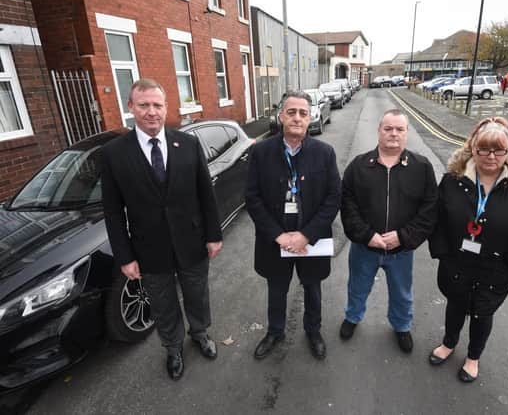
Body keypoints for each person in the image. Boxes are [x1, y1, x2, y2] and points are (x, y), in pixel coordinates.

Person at [101, 78, 223, 381]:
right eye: (143, 105)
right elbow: (113, 210)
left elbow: (205, 194)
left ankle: (200, 333)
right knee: (163, 302)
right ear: (131, 108)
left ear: (166, 107)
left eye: (157, 105)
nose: (151, 112)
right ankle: (172, 347)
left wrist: (213, 234)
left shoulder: (188, 144)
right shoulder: (114, 153)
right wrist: (125, 256)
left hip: (192, 240)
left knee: (197, 293)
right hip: (148, 248)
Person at [427, 116, 508, 383]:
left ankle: (473, 357)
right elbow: (435, 219)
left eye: (499, 150)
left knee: (483, 312)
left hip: (497, 267)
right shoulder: (453, 180)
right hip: (457, 262)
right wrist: (442, 252)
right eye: (484, 148)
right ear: (473, 147)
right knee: (456, 305)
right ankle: (449, 343)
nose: (491, 156)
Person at [246, 90, 341, 360]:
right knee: (277, 289)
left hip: (311, 240)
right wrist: (277, 235)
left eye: (303, 113)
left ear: (310, 117)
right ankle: (275, 332)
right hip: (274, 241)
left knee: (312, 287)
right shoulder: (261, 152)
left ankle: (313, 331)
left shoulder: (325, 153)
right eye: (291, 112)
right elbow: (252, 198)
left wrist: (305, 235)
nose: (297, 118)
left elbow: (334, 198)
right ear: (280, 116)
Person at [339, 109, 438, 353]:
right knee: (358, 287)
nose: (393, 133)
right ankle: (352, 317)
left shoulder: (422, 167)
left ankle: (402, 326)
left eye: (399, 129)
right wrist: (367, 236)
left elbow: (429, 210)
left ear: (406, 133)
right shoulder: (359, 166)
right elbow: (347, 205)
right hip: (365, 247)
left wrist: (403, 237)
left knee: (402, 292)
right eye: (388, 128)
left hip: (401, 250)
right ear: (379, 131)